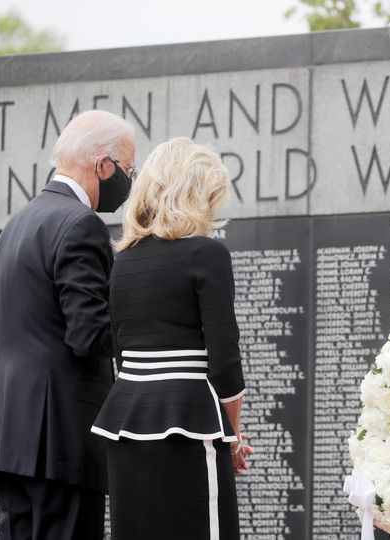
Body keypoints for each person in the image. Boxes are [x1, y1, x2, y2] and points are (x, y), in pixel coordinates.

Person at [0, 110, 137, 539]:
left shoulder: (17, 223)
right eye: (128, 168)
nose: (129, 181)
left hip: (11, 437)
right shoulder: (79, 223)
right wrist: (145, 322)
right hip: (60, 441)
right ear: (102, 165)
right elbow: (88, 334)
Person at [91, 137, 252, 540]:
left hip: (126, 423)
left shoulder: (123, 261)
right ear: (197, 193)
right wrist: (231, 437)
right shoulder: (206, 254)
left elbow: (121, 352)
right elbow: (225, 362)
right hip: (188, 425)